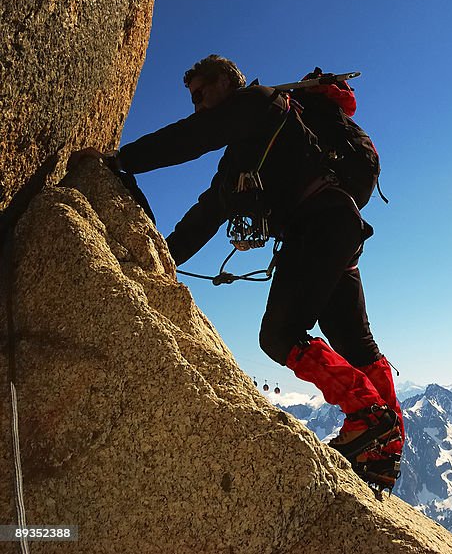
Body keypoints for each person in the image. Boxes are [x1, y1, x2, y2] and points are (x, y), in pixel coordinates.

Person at [72, 55, 404, 494]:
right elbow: (204, 216)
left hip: (319, 225)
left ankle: (367, 417)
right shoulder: (241, 161)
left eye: (202, 93)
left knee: (280, 335)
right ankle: (386, 448)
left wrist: (122, 159)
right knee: (353, 341)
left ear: (227, 81)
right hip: (337, 226)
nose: (198, 105)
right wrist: (159, 260)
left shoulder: (260, 103)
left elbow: (190, 138)